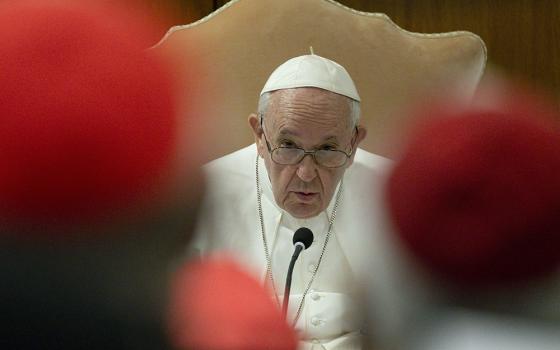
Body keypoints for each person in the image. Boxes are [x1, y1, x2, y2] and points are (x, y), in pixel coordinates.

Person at [191, 54, 395, 349]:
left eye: (327, 148)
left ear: (353, 144)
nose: (306, 173)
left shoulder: (395, 192)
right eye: (288, 146)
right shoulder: (203, 194)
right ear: (260, 136)